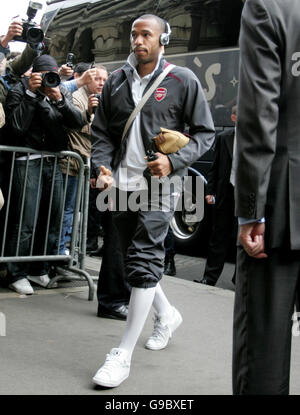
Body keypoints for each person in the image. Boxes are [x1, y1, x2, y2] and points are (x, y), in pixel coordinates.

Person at [91, 14, 214, 388]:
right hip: (121, 186)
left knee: (144, 259)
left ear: (164, 40)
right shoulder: (115, 81)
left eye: (146, 35)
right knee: (135, 258)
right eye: (134, 34)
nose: (138, 40)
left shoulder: (183, 80)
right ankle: (167, 314)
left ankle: (123, 353)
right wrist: (101, 166)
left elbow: (205, 134)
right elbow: (102, 133)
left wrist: (173, 161)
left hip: (160, 187)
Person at [232, 0, 300, 395]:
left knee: (264, 347)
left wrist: (250, 212)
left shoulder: (268, 6)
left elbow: (259, 113)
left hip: (281, 204)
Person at [4, 54, 85, 295]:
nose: (51, 81)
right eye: (45, 76)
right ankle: (15, 272)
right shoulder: (20, 90)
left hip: (54, 160)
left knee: (53, 218)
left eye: (54, 76)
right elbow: (16, 127)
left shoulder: (60, 92)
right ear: (35, 75)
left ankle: (39, 269)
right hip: (26, 161)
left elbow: (78, 122)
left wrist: (59, 100)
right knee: (25, 220)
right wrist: (31, 94)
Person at [58, 64, 108, 257]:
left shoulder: (103, 100)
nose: (101, 83)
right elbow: (79, 126)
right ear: (88, 78)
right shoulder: (78, 96)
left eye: (104, 80)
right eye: (97, 79)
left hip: (85, 165)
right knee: (66, 211)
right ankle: (59, 252)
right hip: (71, 163)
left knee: (77, 212)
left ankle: (65, 252)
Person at [195, 106, 238, 286]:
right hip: (225, 193)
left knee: (241, 237)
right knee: (218, 236)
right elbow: (215, 166)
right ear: (234, 117)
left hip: (245, 194)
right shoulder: (224, 138)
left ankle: (240, 279)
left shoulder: (256, 139)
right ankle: (209, 278)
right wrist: (210, 191)